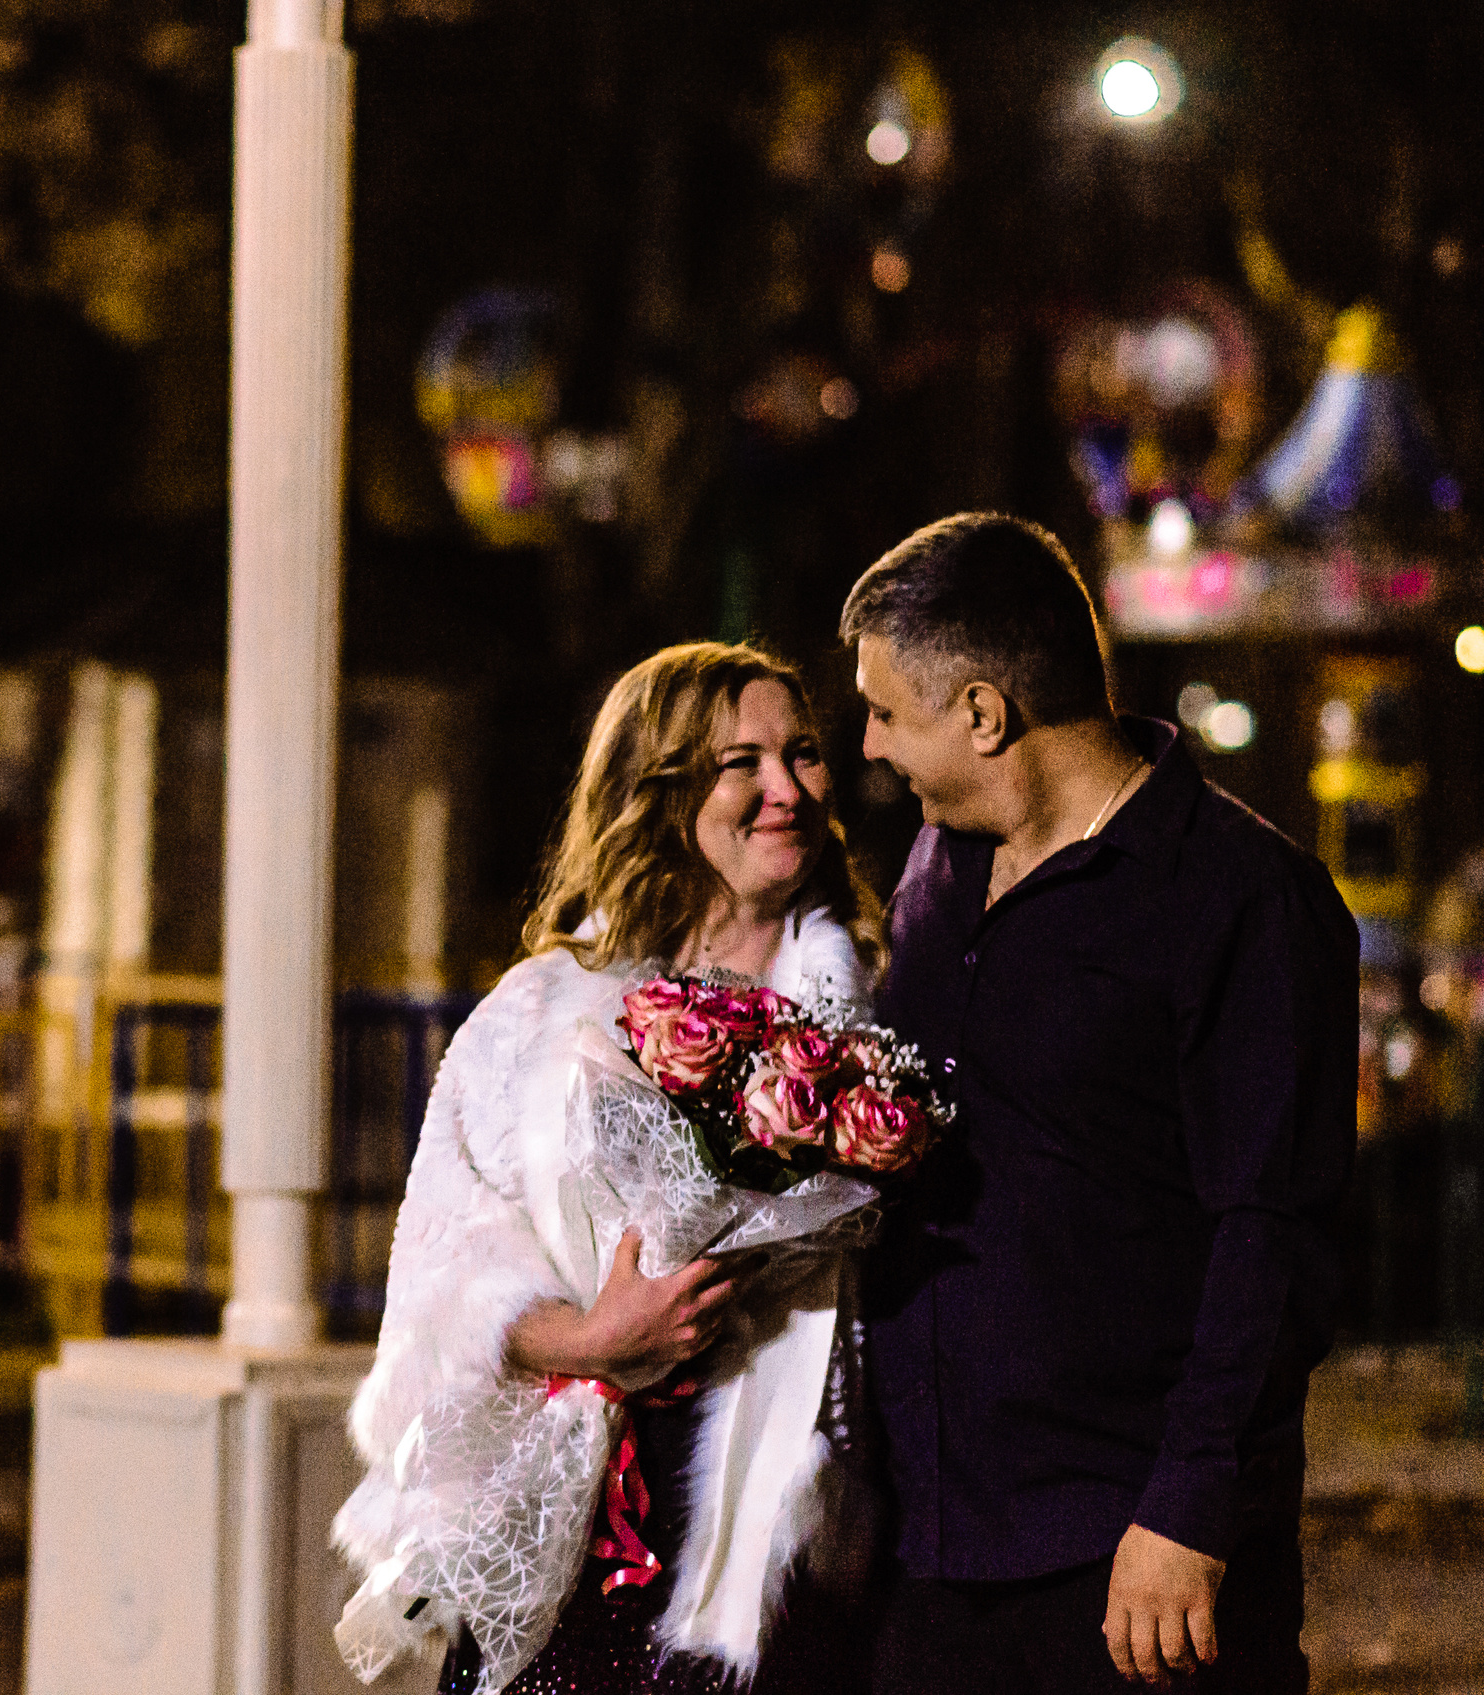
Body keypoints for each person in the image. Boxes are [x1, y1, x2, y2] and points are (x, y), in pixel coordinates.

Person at [843, 514, 1357, 1694]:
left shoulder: (1240, 898)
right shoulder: (938, 866)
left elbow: (1270, 1234)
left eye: (884, 711)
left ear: (983, 712)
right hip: (928, 1547)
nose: (868, 746)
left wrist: (1187, 1507)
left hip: (1127, 1558)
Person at [334, 641, 882, 1695]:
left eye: (803, 753)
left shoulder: (876, 997)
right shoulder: (537, 1013)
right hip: (592, 1515)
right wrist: (593, 1337)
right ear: (658, 789)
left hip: (788, 1516)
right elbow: (442, 1278)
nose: (785, 789)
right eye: (741, 763)